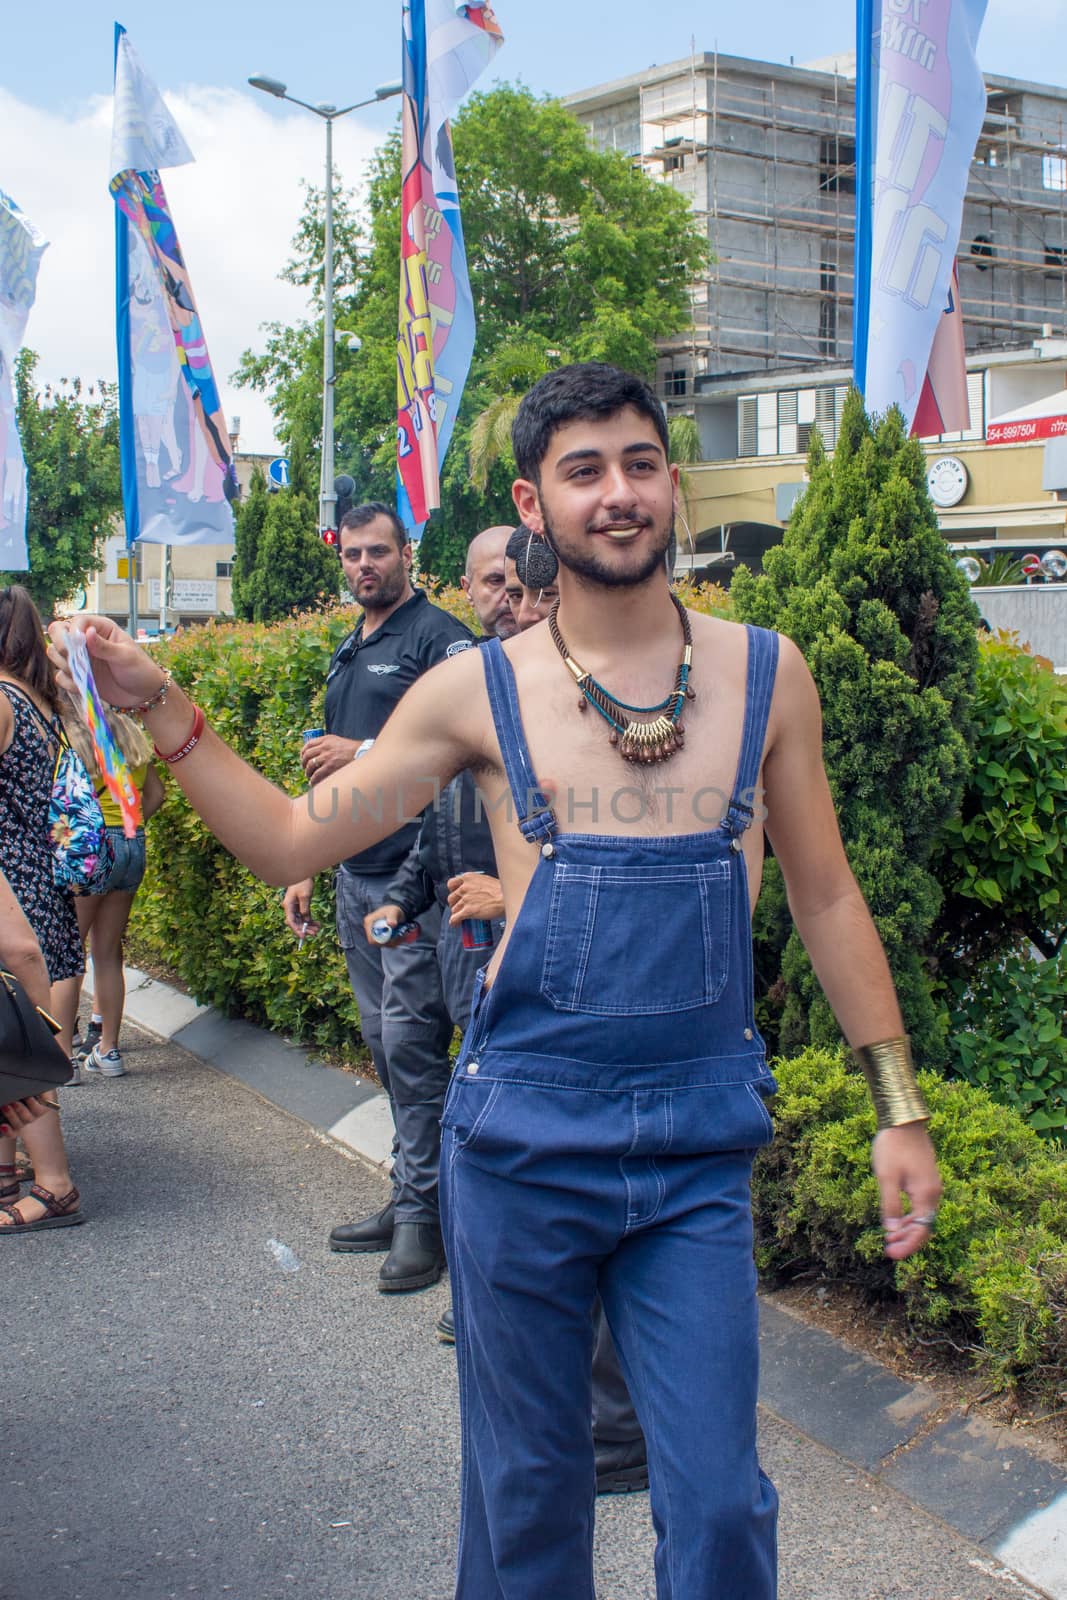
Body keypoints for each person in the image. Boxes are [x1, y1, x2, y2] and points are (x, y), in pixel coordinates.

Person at [50, 362, 941, 1599]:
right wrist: (165, 709)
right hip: (520, 1150)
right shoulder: (477, 688)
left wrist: (897, 1105)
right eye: (584, 472)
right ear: (536, 503)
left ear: (670, 482)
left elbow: (825, 894)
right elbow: (290, 840)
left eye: (638, 464)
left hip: (694, 1156)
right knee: (527, 1502)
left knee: (723, 1508)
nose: (617, 495)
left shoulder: (763, 673)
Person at [284, 501, 474, 1293]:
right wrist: (304, 861)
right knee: (383, 1050)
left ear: (407, 554)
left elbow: (458, 745)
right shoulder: (349, 645)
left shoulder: (438, 640)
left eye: (378, 553)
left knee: (413, 1053)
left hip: (412, 888)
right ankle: (407, 1198)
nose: (364, 566)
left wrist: (360, 749)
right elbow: (331, 781)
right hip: (352, 876)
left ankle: (425, 1225)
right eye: (353, 555)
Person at [0, 586, 84, 1232]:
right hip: (45, 886)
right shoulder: (43, 707)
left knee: (20, 1042)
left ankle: (52, 1185)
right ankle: (11, 1170)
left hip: (13, 891)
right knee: (13, 1038)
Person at [59, 703, 165, 1078]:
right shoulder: (131, 735)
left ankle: (62, 1063)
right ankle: (109, 1051)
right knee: (106, 953)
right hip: (132, 844)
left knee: (67, 953)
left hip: (90, 846)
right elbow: (156, 794)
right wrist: (128, 827)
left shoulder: (70, 739)